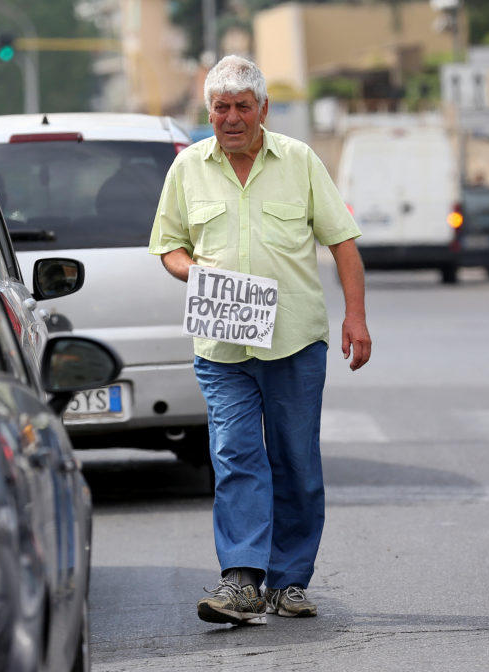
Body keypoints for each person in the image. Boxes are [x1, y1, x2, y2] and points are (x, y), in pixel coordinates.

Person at [148, 55, 371, 626]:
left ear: (263, 110)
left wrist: (356, 317)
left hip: (295, 342)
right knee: (235, 456)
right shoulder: (188, 168)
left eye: (242, 107)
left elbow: (342, 243)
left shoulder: (298, 161)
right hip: (222, 348)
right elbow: (168, 244)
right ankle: (242, 582)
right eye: (220, 108)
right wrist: (193, 272)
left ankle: (289, 581)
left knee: (296, 461)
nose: (231, 118)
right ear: (209, 112)